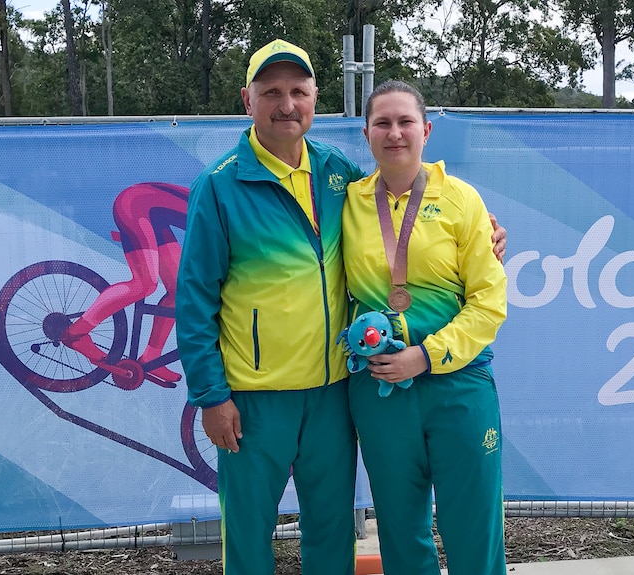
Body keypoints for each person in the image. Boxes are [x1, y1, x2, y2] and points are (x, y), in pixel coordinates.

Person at [176, 40, 507, 575]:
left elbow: (407, 202)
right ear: (247, 100)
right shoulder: (219, 187)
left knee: (331, 537)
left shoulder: (339, 177)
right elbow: (193, 301)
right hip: (255, 398)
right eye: (272, 92)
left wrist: (486, 231)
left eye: (299, 92)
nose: (287, 104)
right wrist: (211, 395)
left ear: (314, 99)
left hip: (333, 394)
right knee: (248, 540)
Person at [342, 80, 508, 575]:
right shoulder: (344, 203)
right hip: (380, 391)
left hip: (457, 385)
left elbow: (489, 301)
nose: (395, 133)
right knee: (399, 529)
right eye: (383, 123)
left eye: (405, 121)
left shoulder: (462, 201)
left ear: (426, 130)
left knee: (473, 527)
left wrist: (426, 355)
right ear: (366, 133)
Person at [62, 181, 187, 385]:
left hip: (155, 218)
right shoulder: (224, 211)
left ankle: (151, 356)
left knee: (181, 291)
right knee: (146, 284)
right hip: (135, 207)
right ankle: (76, 333)